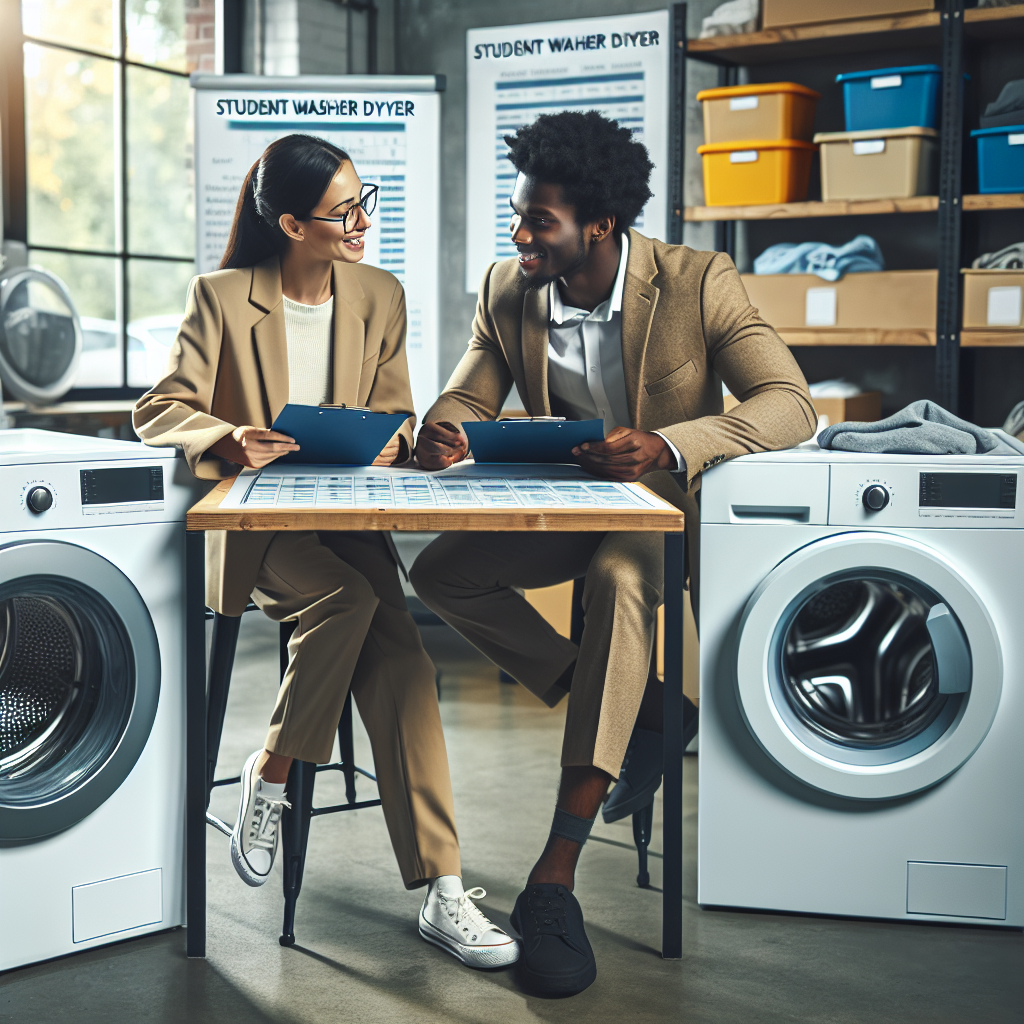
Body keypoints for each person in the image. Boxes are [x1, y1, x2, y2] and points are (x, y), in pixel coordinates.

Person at [410, 111, 816, 996]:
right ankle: (640, 713)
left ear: (599, 226)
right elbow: (470, 390)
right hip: (560, 502)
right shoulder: (508, 287)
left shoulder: (697, 280)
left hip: (659, 508)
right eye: (516, 216)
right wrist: (446, 429)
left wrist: (668, 445)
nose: (519, 235)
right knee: (439, 570)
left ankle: (554, 876)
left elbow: (791, 402)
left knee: (621, 580)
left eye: (538, 221)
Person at [133, 134, 517, 969]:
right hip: (259, 526)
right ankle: (271, 775)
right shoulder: (222, 296)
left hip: (349, 518)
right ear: (289, 223)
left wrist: (402, 442)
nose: (360, 222)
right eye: (342, 211)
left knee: (407, 662)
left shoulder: (381, 294)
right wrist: (231, 437)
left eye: (363, 202)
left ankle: (443, 891)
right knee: (348, 603)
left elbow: (397, 414)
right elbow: (159, 408)